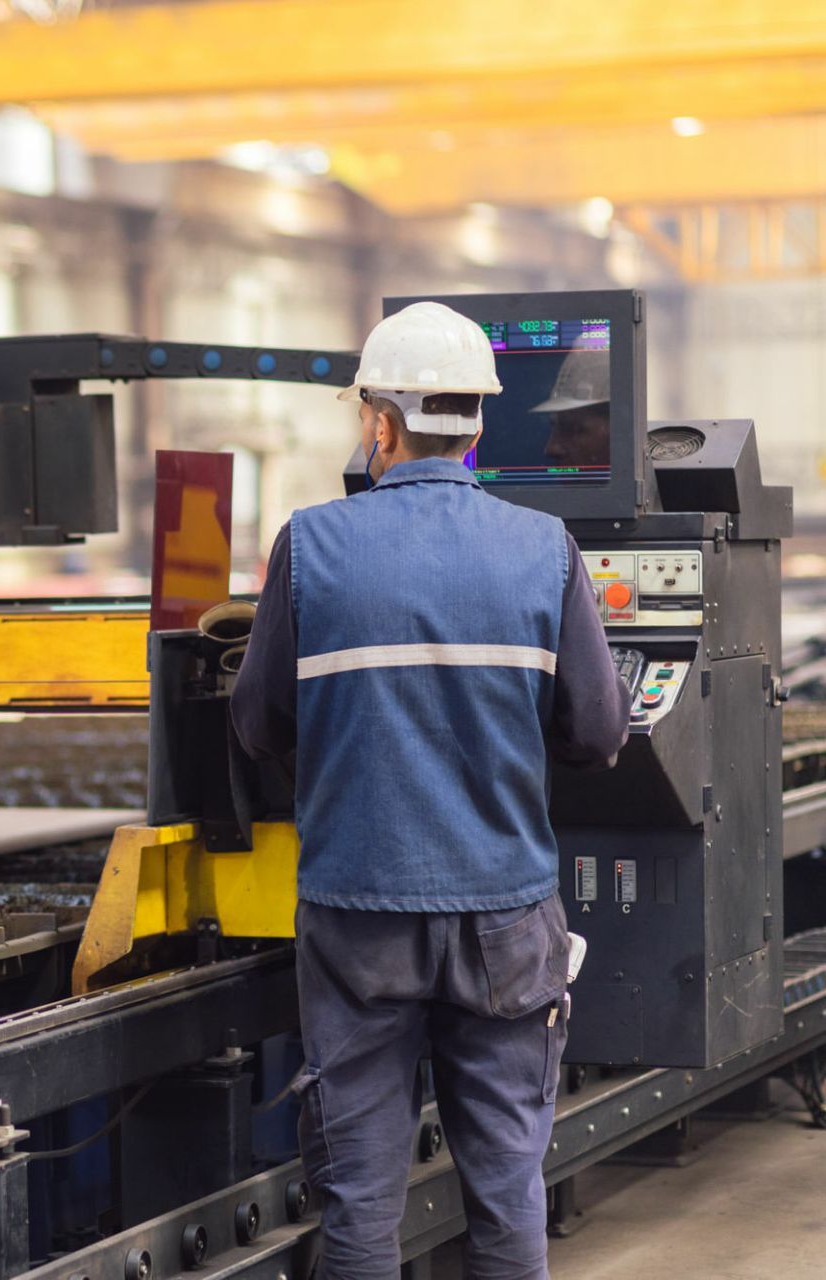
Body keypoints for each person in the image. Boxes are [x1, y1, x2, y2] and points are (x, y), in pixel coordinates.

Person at [229, 301, 630, 1280]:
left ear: (378, 420)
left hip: (359, 910)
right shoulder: (543, 548)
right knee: (506, 1182)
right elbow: (598, 731)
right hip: (503, 916)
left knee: (362, 1192)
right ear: (478, 425)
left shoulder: (311, 546)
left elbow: (256, 723)